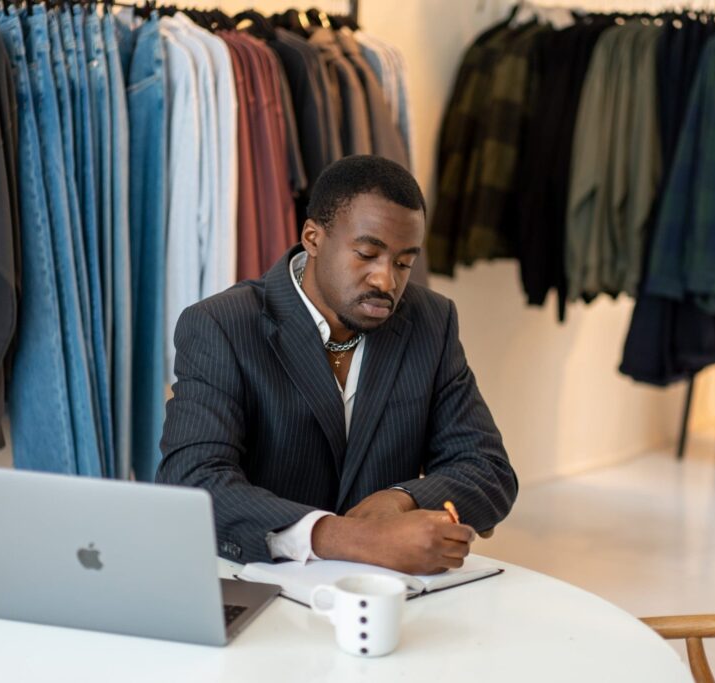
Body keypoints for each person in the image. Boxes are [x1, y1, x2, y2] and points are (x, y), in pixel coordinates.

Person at [157, 155, 517, 575]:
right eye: (367, 254)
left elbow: (488, 470)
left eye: (404, 263)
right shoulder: (221, 326)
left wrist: (401, 499)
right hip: (259, 582)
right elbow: (194, 480)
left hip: (385, 596)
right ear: (313, 237)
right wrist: (348, 537)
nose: (387, 281)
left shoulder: (431, 322)